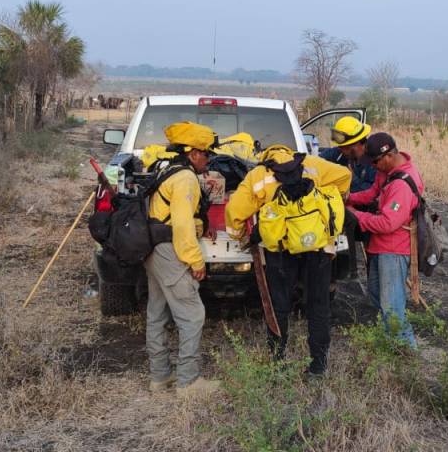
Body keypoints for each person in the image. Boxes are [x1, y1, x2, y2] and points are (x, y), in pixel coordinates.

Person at [225, 144, 351, 376]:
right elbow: (345, 175)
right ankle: (318, 366)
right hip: (318, 247)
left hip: (281, 251)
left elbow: (235, 210)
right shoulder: (313, 164)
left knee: (278, 307)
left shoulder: (258, 175)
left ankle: (277, 362)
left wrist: (241, 237)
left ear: (265, 157)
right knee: (318, 306)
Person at [144, 121, 220, 398]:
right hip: (171, 252)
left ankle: (160, 377)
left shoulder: (167, 170)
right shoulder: (186, 178)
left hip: (153, 250)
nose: (208, 158)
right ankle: (188, 383)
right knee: (192, 315)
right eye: (205, 153)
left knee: (157, 314)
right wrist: (196, 262)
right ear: (191, 153)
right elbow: (182, 226)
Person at [345, 132, 424, 348]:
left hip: (394, 251)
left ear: (387, 156)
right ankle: (389, 343)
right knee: (376, 296)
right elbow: (372, 193)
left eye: (375, 162)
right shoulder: (388, 172)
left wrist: (355, 215)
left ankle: (405, 351)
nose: (374, 167)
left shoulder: (401, 185)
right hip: (380, 247)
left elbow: (388, 223)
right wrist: (348, 198)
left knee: (392, 306)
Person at [319, 116, 376, 193]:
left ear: (357, 143)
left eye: (345, 147)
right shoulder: (341, 153)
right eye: (340, 147)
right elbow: (319, 160)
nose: (342, 151)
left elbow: (372, 193)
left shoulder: (375, 162)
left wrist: (351, 178)